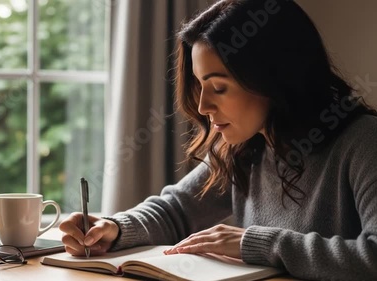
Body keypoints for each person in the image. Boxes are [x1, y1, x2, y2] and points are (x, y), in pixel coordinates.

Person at [59, 0, 377, 280]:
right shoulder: (246, 146)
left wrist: (257, 244)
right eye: (200, 85)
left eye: (220, 87)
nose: (202, 107)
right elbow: (177, 210)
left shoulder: (364, 142)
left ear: (276, 78)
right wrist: (115, 227)